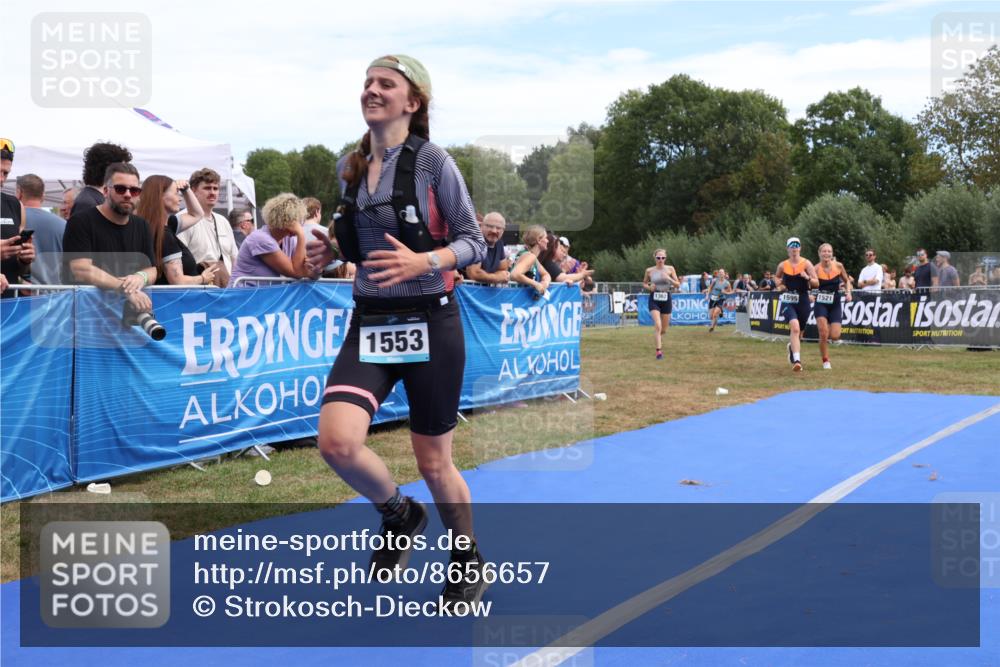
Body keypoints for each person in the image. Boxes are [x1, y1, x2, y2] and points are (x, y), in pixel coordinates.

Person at [315, 55, 487, 614]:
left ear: (412, 102)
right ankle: (398, 513)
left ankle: (466, 560)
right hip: (370, 322)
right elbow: (360, 244)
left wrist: (426, 262)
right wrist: (329, 252)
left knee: (434, 462)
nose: (371, 90)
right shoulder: (351, 163)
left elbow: (472, 242)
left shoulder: (435, 162)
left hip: (430, 321)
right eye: (366, 82)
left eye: (385, 84)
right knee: (337, 442)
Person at [62, 162, 156, 317]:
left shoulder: (142, 225)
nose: (127, 194)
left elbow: (152, 269)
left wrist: (141, 277)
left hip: (129, 318)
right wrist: (126, 289)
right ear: (106, 191)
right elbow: (80, 269)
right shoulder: (81, 221)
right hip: (87, 316)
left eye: (134, 190)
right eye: (120, 189)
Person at [135, 175, 218, 286]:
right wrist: (203, 278)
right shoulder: (164, 235)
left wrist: (186, 189)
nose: (179, 198)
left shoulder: (162, 226)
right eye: (176, 193)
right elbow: (178, 281)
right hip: (176, 300)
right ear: (160, 196)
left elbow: (197, 214)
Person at [228, 193, 313, 286]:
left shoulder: (289, 240)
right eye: (296, 219)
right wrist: (301, 234)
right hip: (243, 297)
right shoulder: (260, 239)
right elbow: (297, 272)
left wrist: (315, 270)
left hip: (262, 296)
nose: (299, 224)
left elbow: (305, 271)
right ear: (284, 220)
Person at [176, 167, 240, 286]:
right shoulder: (182, 220)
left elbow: (234, 258)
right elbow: (177, 261)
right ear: (193, 190)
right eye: (207, 188)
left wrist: (235, 286)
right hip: (197, 288)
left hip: (225, 288)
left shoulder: (223, 221)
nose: (212, 192)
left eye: (215, 188)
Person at [775, 237, 819, 372]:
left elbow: (816, 283)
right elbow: (776, 277)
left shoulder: (807, 264)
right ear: (787, 249)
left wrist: (807, 278)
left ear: (800, 248)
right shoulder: (783, 265)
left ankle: (791, 348)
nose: (794, 248)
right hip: (788, 299)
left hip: (803, 299)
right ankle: (797, 361)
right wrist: (780, 285)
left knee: (800, 332)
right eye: (791, 246)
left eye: (797, 245)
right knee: (794, 328)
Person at [15, 174, 65, 285]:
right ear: (43, 196)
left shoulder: (12, 221)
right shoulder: (63, 225)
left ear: (19, 193)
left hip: (20, 295)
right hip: (55, 295)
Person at [1, 138, 34, 297]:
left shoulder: (15, 205)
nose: (1, 178)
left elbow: (21, 270)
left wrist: (25, 260)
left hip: (8, 304)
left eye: (5, 173)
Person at [813, 243, 852, 370]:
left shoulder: (839, 266)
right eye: (824, 251)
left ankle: (825, 334)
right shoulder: (815, 269)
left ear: (832, 253)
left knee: (835, 335)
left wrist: (848, 292)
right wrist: (810, 294)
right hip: (821, 303)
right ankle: (825, 360)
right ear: (819, 253)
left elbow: (847, 281)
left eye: (829, 251)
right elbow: (809, 285)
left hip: (835, 303)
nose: (827, 254)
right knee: (823, 333)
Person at [71, 142, 133, 218]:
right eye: (122, 169)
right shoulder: (87, 203)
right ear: (107, 169)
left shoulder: (95, 198)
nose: (125, 172)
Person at [642, 248, 680, 359]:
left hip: (666, 297)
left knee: (663, 329)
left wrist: (669, 278)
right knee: (658, 325)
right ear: (655, 258)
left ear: (665, 258)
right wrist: (649, 287)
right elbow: (644, 283)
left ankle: (658, 337)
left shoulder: (670, 269)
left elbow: (677, 284)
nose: (661, 260)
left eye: (663, 258)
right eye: (658, 258)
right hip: (654, 298)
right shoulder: (649, 270)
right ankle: (659, 352)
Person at [463, 211, 509, 285]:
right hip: (466, 292)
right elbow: (474, 274)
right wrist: (497, 278)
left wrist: (497, 276)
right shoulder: (475, 242)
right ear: (481, 226)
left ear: (503, 231)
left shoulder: (499, 243)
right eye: (490, 226)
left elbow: (503, 269)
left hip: (486, 293)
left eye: (498, 228)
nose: (494, 231)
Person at [510, 224, 552, 298]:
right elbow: (514, 275)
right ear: (539, 240)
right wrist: (536, 284)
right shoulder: (530, 256)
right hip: (517, 299)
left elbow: (546, 275)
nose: (548, 241)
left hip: (519, 299)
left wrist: (544, 283)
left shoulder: (532, 257)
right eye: (546, 238)